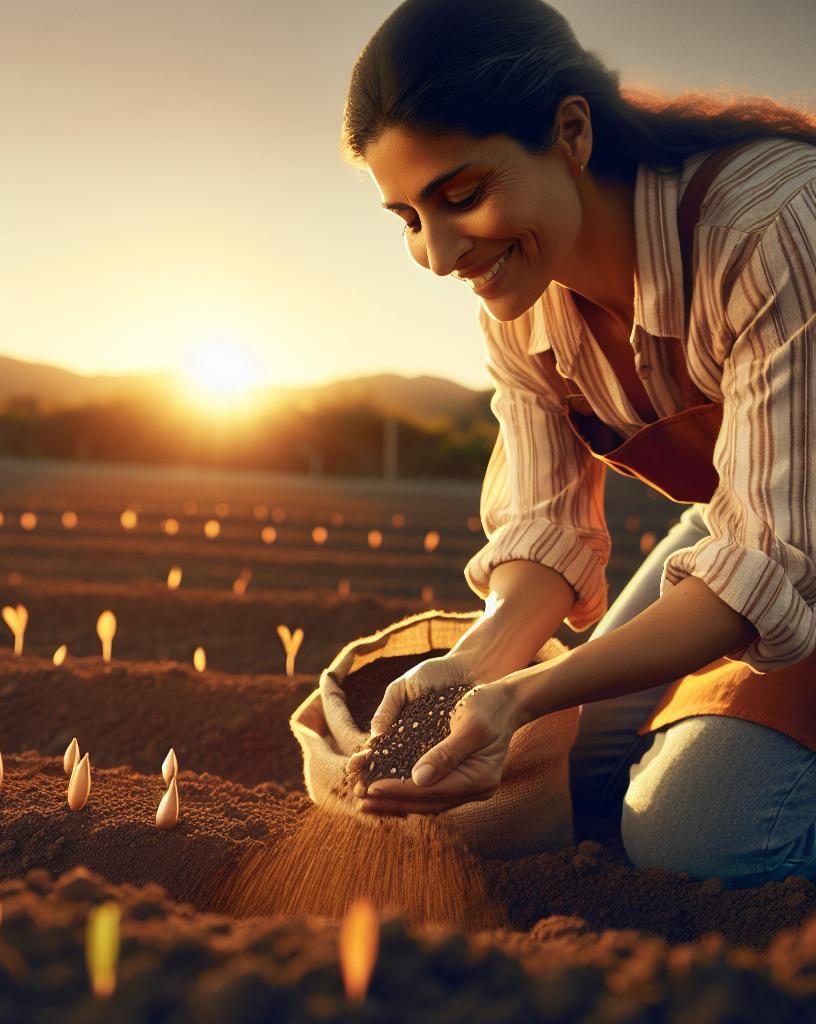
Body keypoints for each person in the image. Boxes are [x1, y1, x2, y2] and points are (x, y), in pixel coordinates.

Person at [343, 0, 816, 887]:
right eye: (409, 218)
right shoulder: (520, 312)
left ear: (570, 131)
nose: (441, 254)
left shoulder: (772, 224)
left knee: (696, 841)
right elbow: (547, 536)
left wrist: (522, 695)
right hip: (766, 518)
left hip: (791, 536)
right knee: (581, 762)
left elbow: (770, 558)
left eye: (461, 195)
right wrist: (474, 667)